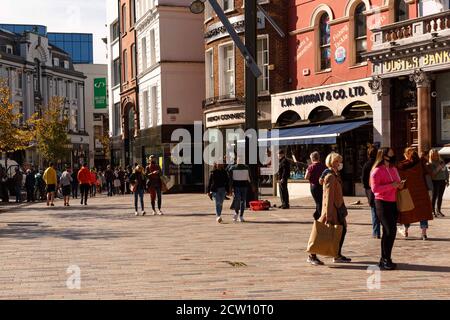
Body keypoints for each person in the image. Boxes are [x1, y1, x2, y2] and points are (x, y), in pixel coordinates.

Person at [310, 152, 351, 265]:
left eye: (339, 161)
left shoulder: (334, 175)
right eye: (337, 161)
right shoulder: (330, 177)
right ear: (331, 162)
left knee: (340, 230)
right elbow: (328, 197)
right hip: (332, 210)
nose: (339, 164)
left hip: (337, 207)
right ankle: (312, 254)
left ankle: (336, 254)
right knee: (322, 231)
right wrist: (328, 214)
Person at [370, 147, 404, 270]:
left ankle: (385, 258)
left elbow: (398, 183)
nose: (393, 155)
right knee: (389, 230)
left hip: (393, 202)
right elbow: (375, 190)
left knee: (390, 232)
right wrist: (391, 186)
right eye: (391, 154)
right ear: (384, 156)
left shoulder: (393, 169)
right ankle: (385, 259)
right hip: (381, 203)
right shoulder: (376, 171)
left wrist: (399, 185)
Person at [397, 148, 433, 240]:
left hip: (408, 192)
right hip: (422, 191)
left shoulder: (402, 166)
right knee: (423, 213)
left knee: (407, 211)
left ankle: (405, 230)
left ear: (406, 155)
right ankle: (424, 233)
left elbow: (399, 178)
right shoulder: (421, 163)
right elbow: (429, 173)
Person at [305, 151, 327, 266]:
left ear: (312, 158)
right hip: (321, 187)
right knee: (320, 204)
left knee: (318, 203)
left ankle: (317, 213)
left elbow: (306, 177)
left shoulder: (311, 166)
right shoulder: (324, 166)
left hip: (314, 187)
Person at [361, 145, 381, 239]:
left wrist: (367, 189)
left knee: (374, 212)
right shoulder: (379, 164)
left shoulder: (367, 164)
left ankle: (376, 232)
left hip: (371, 191)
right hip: (381, 190)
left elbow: (364, 180)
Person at [229, 157, 251, 222]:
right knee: (237, 199)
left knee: (243, 201)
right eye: (238, 160)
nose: (240, 161)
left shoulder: (246, 167)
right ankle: (236, 213)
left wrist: (252, 185)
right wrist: (230, 188)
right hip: (236, 186)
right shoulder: (232, 168)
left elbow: (250, 177)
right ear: (236, 161)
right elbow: (230, 178)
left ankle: (241, 216)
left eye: (241, 160)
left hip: (244, 186)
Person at [429, 149, 449, 218]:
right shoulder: (431, 163)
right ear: (431, 155)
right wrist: (439, 167)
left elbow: (445, 171)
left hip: (442, 180)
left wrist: (447, 179)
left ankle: (438, 210)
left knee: (440, 196)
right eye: (434, 155)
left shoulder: (441, 161)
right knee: (434, 196)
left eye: (437, 154)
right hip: (435, 181)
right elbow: (433, 174)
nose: (436, 156)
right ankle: (432, 211)